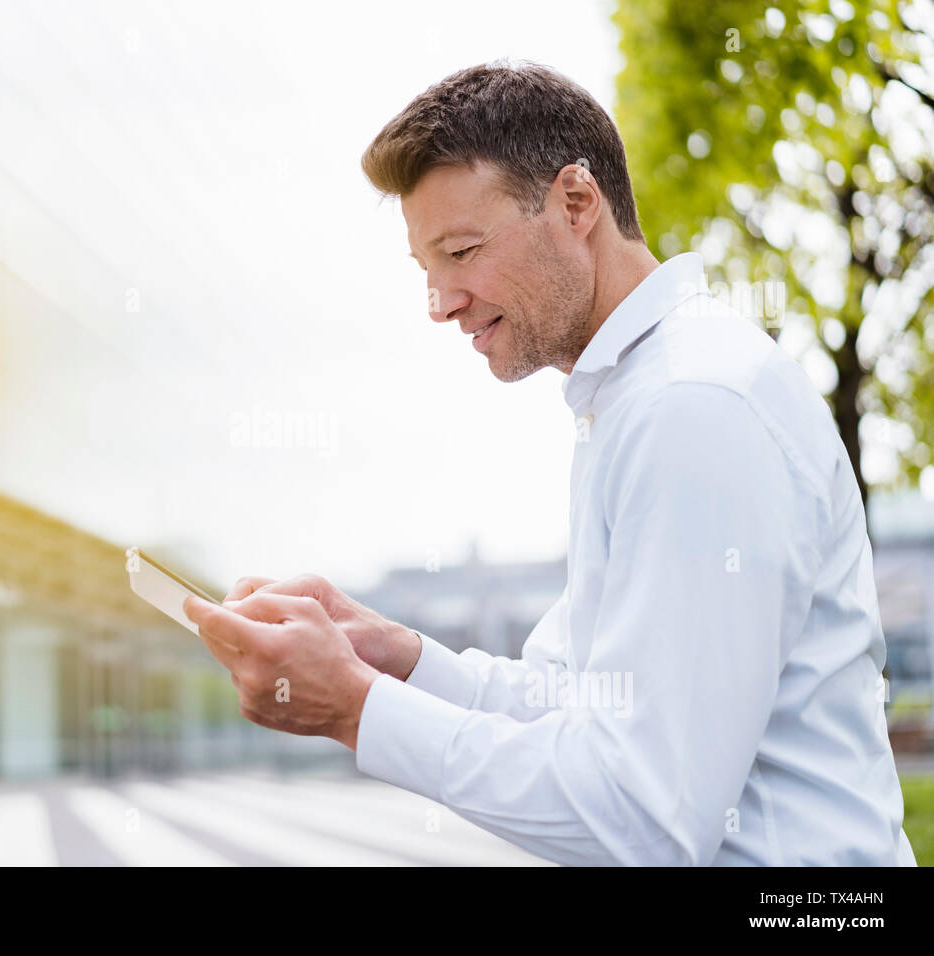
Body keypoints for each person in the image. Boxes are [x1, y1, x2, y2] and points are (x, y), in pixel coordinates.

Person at [183, 60, 917, 866]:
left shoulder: (690, 409)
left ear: (576, 203)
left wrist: (358, 709)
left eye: (462, 251)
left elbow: (644, 817)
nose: (440, 303)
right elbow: (573, 704)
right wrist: (392, 655)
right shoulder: (642, 397)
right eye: (426, 269)